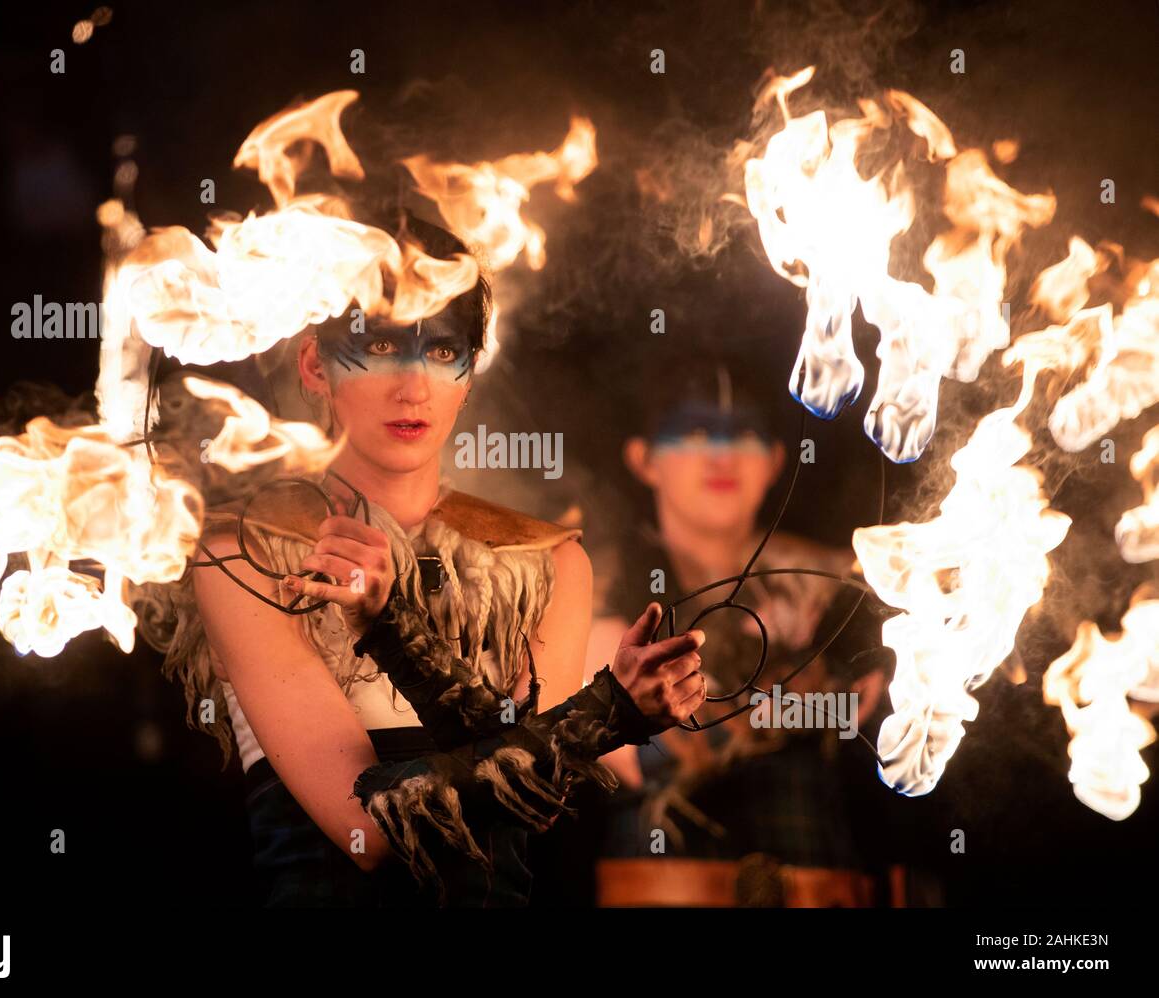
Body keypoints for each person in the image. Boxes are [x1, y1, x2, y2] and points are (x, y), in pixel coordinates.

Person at [131, 215, 709, 907]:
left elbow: (534, 803)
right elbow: (369, 831)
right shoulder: (244, 554)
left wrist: (597, 719)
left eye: (441, 351)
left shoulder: (547, 561)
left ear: (471, 369)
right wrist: (606, 715)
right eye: (378, 346)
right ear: (314, 363)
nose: (412, 387)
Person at [581, 363, 893, 906]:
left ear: (776, 460)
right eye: (694, 432)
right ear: (644, 458)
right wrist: (801, 691)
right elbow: (623, 759)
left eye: (743, 434)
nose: (721, 455)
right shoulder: (592, 587)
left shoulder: (854, 583)